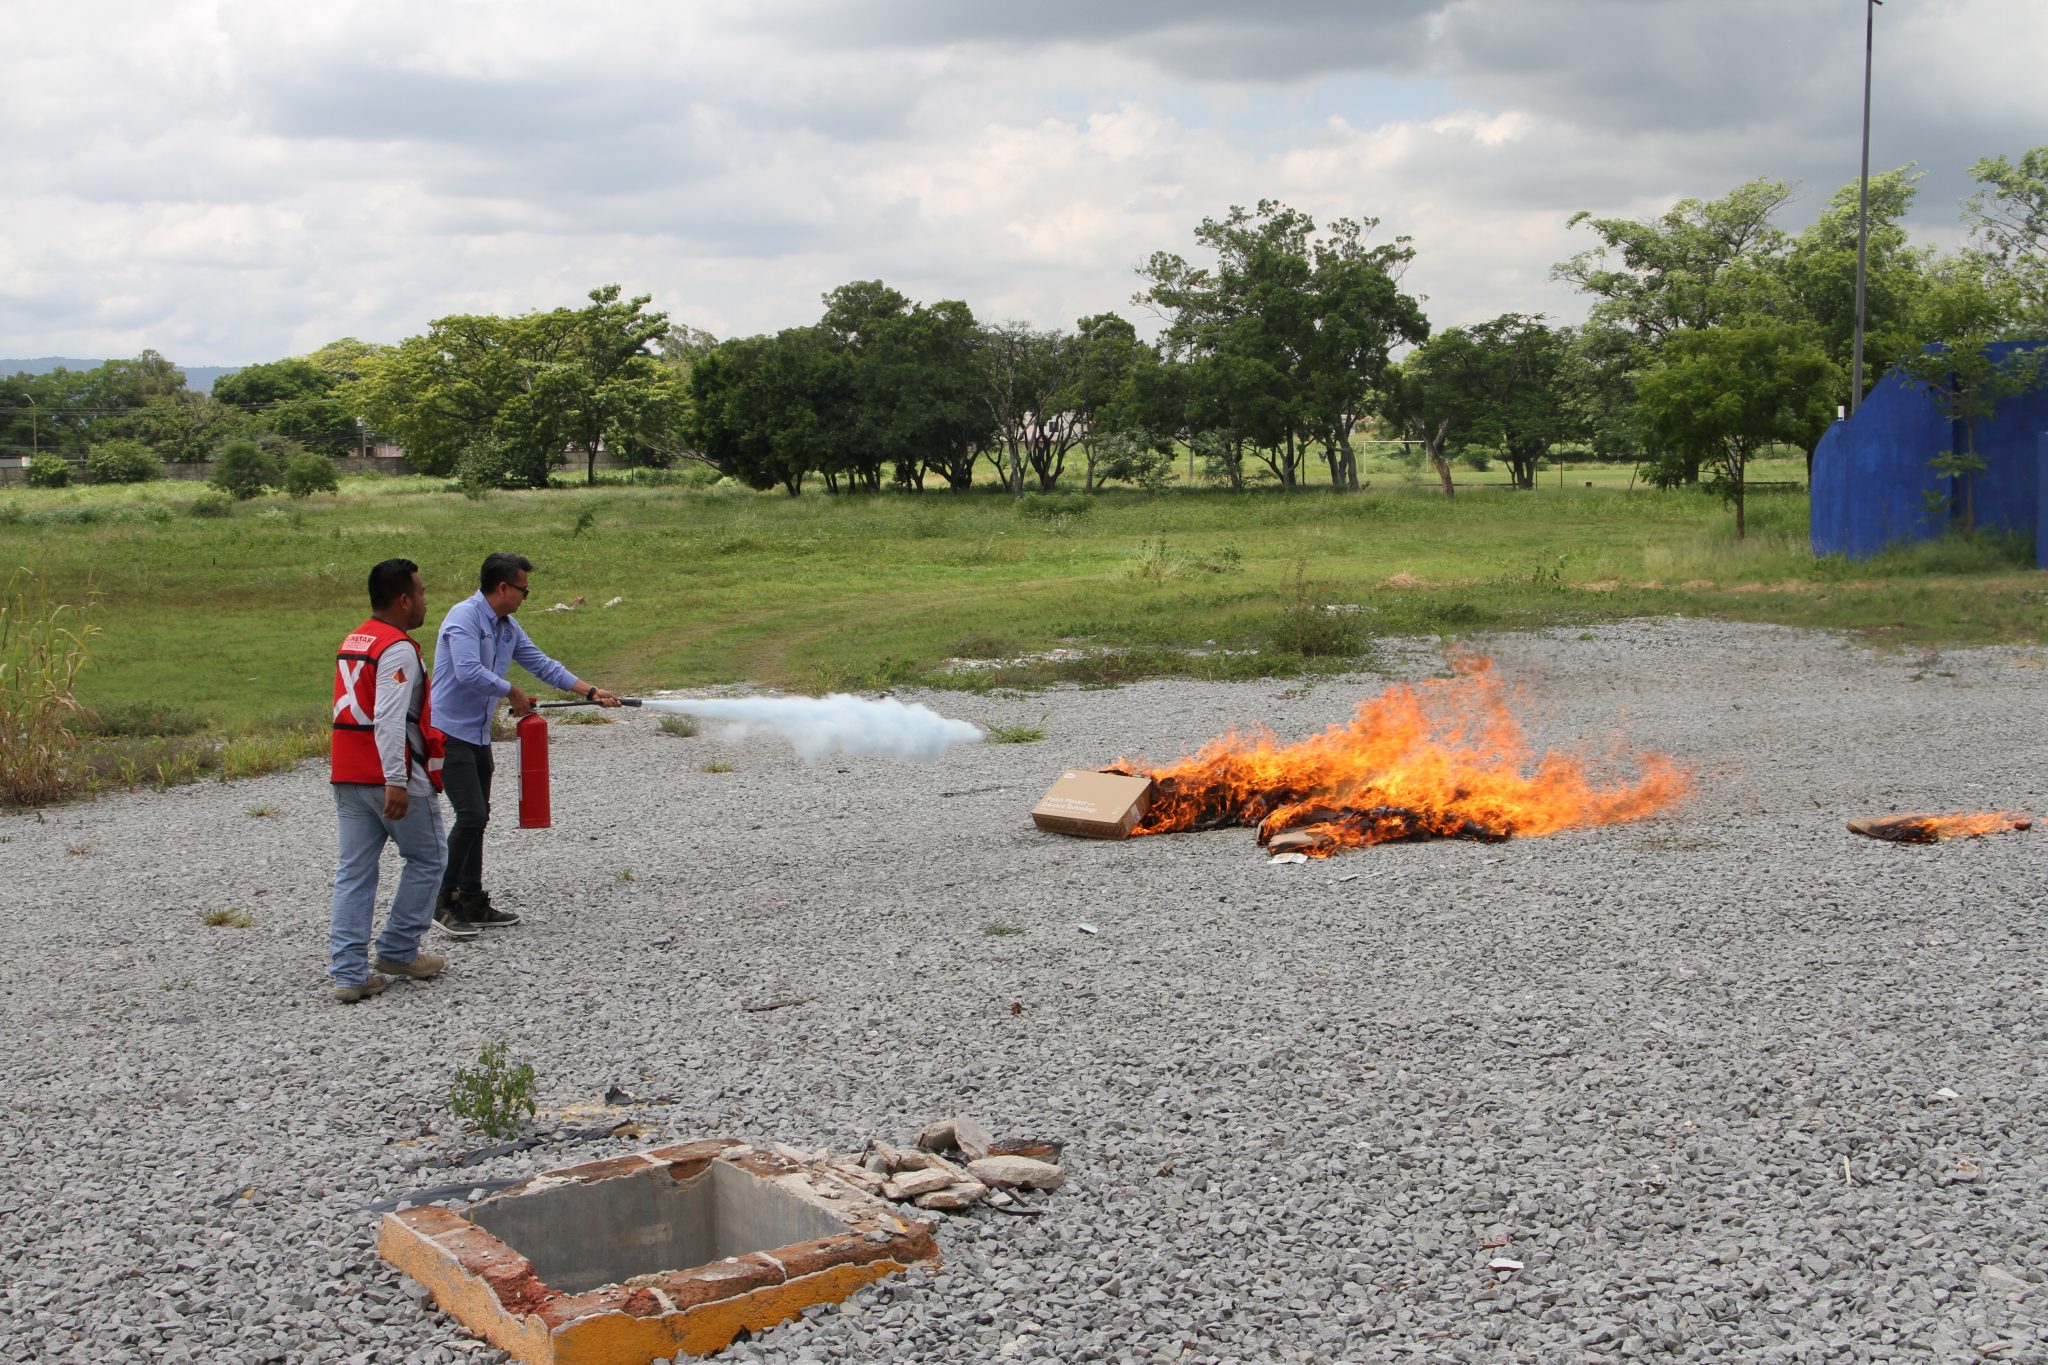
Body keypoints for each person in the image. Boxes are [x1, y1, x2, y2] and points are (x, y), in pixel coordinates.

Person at [430, 552, 619, 935]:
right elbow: (467, 672)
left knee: (479, 816)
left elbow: (542, 663)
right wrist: (511, 690)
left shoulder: (507, 627)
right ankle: (440, 902)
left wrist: (591, 691)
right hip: (448, 733)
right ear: (503, 587)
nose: (525, 597)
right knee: (470, 815)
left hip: (477, 734)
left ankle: (471, 900)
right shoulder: (463, 618)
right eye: (524, 589)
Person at [328, 558, 448, 1003]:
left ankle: (348, 973)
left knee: (354, 873)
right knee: (430, 857)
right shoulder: (397, 648)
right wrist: (396, 780)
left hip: (347, 772)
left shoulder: (354, 638)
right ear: (402, 600)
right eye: (420, 593)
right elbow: (389, 718)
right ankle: (399, 949)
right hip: (389, 777)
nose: (424, 600)